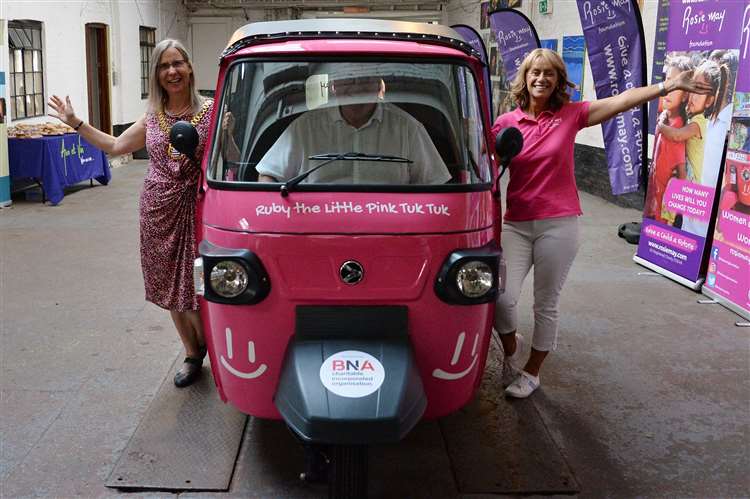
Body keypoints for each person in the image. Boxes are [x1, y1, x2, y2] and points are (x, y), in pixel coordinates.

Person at [491, 48, 711, 398]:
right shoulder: (506, 123)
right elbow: (482, 160)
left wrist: (667, 86)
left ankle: (532, 372)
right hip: (516, 223)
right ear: (525, 77)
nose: (541, 78)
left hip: (558, 224)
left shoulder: (570, 115)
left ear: (558, 80)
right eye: (535, 72)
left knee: (545, 303)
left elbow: (622, 101)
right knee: (500, 298)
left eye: (549, 73)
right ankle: (512, 349)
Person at [48, 39, 215, 388]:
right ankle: (191, 353)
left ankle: (211, 349)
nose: (172, 72)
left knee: (200, 285)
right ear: (155, 75)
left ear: (190, 68)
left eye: (178, 64)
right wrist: (75, 122)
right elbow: (114, 145)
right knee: (170, 285)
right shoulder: (152, 119)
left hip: (199, 209)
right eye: (164, 66)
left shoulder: (212, 112)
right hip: (157, 209)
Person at [255, 74, 451, 185]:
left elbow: (437, 183)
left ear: (379, 84)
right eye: (348, 79)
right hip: (316, 231)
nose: (356, 88)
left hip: (391, 233)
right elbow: (268, 175)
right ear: (334, 85)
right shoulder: (305, 127)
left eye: (365, 79)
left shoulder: (408, 128)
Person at [658, 58, 730, 235]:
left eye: (698, 91)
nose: (691, 96)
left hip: (695, 187)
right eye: (691, 89)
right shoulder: (693, 119)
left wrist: (660, 124)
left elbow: (676, 135)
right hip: (689, 183)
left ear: (709, 101)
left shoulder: (699, 123)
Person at [644, 55, 691, 225]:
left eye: (675, 85)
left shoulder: (676, 128)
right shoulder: (664, 117)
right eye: (667, 81)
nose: (668, 89)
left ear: (686, 96)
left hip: (665, 202)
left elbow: (681, 171)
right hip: (655, 193)